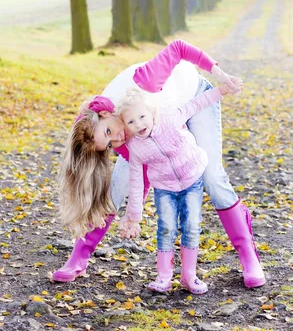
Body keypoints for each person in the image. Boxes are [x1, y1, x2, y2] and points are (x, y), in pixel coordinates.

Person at [53, 39, 266, 288]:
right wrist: (134, 216)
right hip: (152, 122)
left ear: (105, 114)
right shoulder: (119, 133)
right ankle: (78, 257)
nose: (117, 139)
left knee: (212, 177)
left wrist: (220, 74)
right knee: (118, 184)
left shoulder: (146, 82)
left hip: (192, 99)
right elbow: (141, 169)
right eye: (109, 144)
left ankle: (249, 256)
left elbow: (178, 48)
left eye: (110, 131)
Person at [116, 83, 234, 294]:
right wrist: (133, 216)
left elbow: (196, 103)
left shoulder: (171, 119)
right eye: (131, 122)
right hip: (164, 189)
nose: (139, 124)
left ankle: (189, 276)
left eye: (142, 116)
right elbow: (136, 182)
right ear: (125, 126)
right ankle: (164, 277)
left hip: (191, 179)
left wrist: (220, 91)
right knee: (166, 228)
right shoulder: (135, 147)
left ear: (151, 112)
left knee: (191, 225)